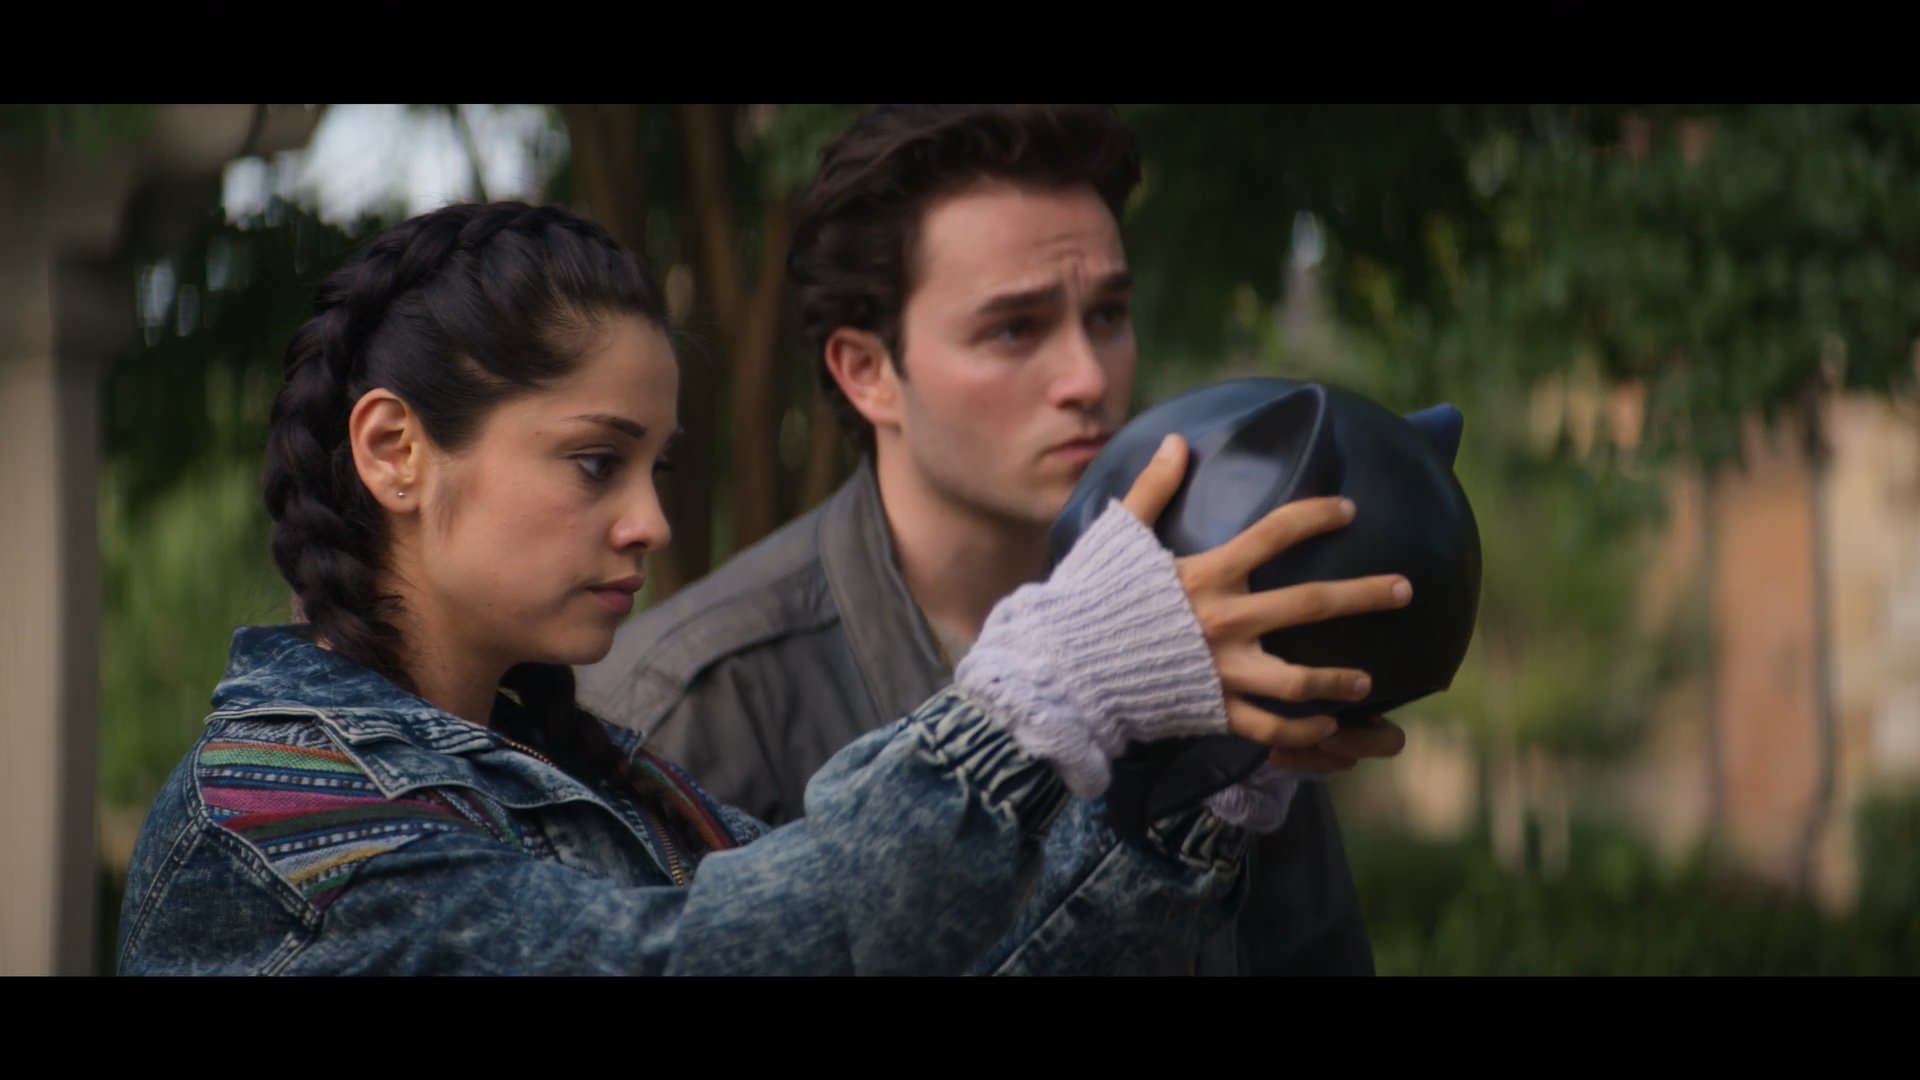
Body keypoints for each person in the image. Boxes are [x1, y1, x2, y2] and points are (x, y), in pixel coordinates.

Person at [115, 200, 1411, 975]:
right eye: (594, 462)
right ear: (395, 449)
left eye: (657, 466)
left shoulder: (612, 780)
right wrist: (1031, 699)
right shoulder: (268, 822)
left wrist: (1185, 798)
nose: (651, 521)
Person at [579, 104, 1409, 975]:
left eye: (1108, 314)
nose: (1087, 377)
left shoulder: (1213, 624)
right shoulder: (684, 708)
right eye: (1014, 328)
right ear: (867, 372)